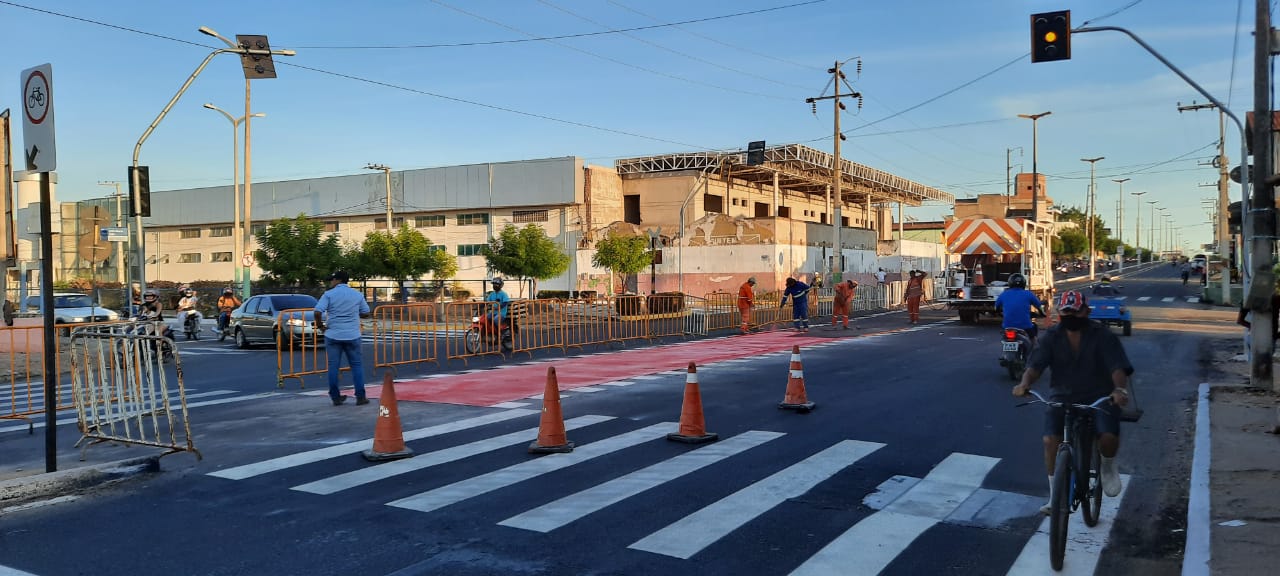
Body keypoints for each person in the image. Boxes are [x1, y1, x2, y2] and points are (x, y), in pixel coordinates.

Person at [1012, 290, 1133, 515]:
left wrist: (1119, 389)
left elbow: (1117, 366)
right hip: (1062, 395)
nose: (1071, 316)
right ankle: (1055, 496)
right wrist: (1024, 384)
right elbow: (1035, 366)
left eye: (1076, 312)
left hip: (1100, 395)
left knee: (1108, 436)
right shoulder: (1052, 336)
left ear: (1086, 311)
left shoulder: (1102, 335)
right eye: (1066, 312)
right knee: (1050, 440)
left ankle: (1107, 465)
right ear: (1060, 312)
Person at [315, 271, 371, 406]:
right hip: (353, 335)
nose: (331, 282)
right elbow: (366, 313)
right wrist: (354, 313)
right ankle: (360, 397)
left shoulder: (329, 294)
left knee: (333, 366)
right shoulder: (357, 295)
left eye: (332, 280)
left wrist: (320, 326)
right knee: (357, 366)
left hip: (333, 335)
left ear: (338, 280)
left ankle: (335, 397)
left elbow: (317, 311)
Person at [995, 273, 1045, 340]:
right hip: (1025, 326)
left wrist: (1001, 313)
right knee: (1033, 337)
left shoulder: (1004, 294)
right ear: (1023, 283)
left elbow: (996, 308)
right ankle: (1034, 347)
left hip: (1007, 326)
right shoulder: (1028, 294)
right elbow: (1039, 306)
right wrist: (1042, 314)